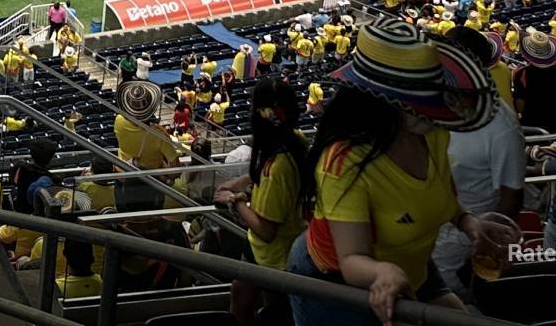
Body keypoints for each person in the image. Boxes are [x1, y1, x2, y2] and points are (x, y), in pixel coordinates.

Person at [290, 17, 511, 326]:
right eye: (418, 99)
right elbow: (351, 259)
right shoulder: (344, 163)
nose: (434, 108)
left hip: (413, 268)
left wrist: (468, 221)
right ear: (379, 100)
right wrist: (382, 271)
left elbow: (439, 197)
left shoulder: (432, 133)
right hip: (338, 286)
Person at [430, 29, 524, 296]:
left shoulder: (502, 127)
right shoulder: (439, 103)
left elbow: (512, 196)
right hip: (427, 228)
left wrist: (482, 250)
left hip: (459, 244)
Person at [213, 78, 310, 326]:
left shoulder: (278, 168)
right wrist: (241, 181)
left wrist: (235, 200)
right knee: (241, 295)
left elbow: (266, 230)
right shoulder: (293, 139)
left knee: (272, 310)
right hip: (269, 248)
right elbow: (263, 167)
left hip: (275, 255)